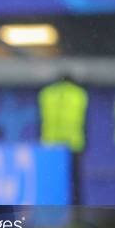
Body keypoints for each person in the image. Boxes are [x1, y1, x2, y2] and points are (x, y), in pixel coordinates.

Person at [38, 74, 88, 204]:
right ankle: (76, 208)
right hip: (73, 143)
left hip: (51, 144)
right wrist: (85, 143)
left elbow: (40, 120)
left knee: (52, 179)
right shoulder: (79, 94)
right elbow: (85, 122)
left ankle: (52, 205)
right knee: (74, 179)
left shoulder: (47, 93)